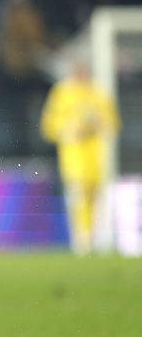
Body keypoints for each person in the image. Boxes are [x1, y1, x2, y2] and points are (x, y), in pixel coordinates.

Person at [39, 60, 120, 255]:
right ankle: (81, 239)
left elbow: (113, 124)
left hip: (96, 157)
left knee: (96, 195)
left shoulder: (98, 93)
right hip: (73, 156)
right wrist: (68, 130)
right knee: (77, 194)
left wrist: (99, 124)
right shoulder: (62, 93)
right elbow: (48, 126)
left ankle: (96, 237)